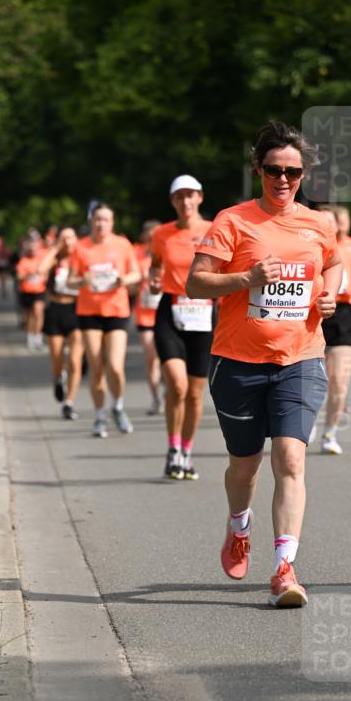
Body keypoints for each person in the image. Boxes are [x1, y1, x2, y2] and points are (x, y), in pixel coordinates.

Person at [186, 120, 341, 607]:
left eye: (292, 172)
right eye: (274, 170)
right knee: (245, 466)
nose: (283, 179)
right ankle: (239, 527)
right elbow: (195, 282)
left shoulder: (319, 224)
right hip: (238, 361)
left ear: (303, 175)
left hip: (301, 357)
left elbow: (334, 263)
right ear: (258, 169)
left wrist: (331, 295)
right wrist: (246, 278)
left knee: (291, 458)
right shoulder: (233, 221)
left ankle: (284, 569)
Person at [150, 176, 214, 480]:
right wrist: (153, 277)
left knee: (195, 394)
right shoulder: (161, 234)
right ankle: (173, 448)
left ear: (200, 197)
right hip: (171, 309)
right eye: (179, 197)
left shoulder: (214, 229)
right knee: (177, 384)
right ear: (173, 201)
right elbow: (155, 263)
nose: (185, 201)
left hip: (204, 312)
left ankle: (187, 452)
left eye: (190, 195)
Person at [68, 203, 141, 438]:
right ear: (91, 221)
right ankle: (100, 415)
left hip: (116, 310)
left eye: (106, 220)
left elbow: (137, 274)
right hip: (89, 311)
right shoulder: (81, 247)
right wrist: (83, 280)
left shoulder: (122, 244)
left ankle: (117, 406)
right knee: (96, 367)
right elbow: (70, 281)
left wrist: (123, 280)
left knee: (116, 366)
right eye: (97, 219)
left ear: (112, 222)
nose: (101, 224)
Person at [315, 205, 351, 455]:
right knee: (310, 378)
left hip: (344, 313)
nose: (327, 225)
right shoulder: (306, 248)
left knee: (339, 380)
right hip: (312, 313)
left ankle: (330, 433)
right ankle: (306, 422)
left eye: (331, 221)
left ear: (337, 226)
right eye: (322, 221)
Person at [42, 226, 84, 420]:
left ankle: (69, 402)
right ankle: (59, 378)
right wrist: (55, 249)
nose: (67, 242)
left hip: (77, 309)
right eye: (63, 238)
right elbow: (40, 269)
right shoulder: (55, 260)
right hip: (56, 310)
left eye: (71, 237)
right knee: (57, 357)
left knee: (75, 360)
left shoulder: (81, 257)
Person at [132, 220, 163, 415]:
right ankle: (156, 398)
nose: (153, 240)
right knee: (151, 359)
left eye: (156, 237)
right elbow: (130, 283)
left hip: (167, 314)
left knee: (168, 359)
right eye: (149, 237)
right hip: (145, 315)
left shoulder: (168, 255)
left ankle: (171, 390)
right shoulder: (137, 255)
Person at [15, 238, 48, 350]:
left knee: (38, 313)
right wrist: (28, 274)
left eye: (35, 249)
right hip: (27, 291)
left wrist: (42, 277)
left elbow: (46, 274)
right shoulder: (24, 261)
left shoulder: (42, 261)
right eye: (31, 249)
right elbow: (19, 276)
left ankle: (38, 338)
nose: (33, 251)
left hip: (39, 291)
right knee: (29, 316)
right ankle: (30, 339)